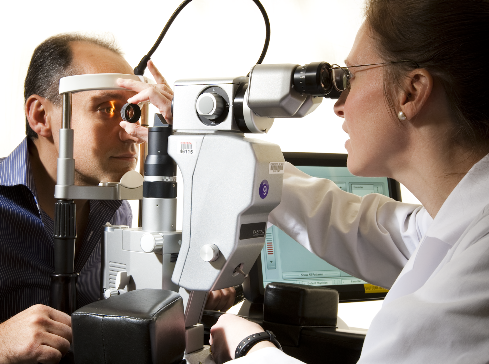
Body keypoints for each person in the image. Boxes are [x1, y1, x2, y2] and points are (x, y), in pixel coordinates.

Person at [205, 0, 489, 363]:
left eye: (351, 77)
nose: (339, 103)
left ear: (412, 91)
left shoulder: (472, 277)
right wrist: (211, 138)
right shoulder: (461, 218)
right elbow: (365, 227)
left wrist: (253, 348)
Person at [0, 33, 233, 364]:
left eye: (132, 111)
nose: (129, 131)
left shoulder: (117, 212)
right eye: (106, 108)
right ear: (41, 116)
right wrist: (2, 343)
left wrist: (186, 296)